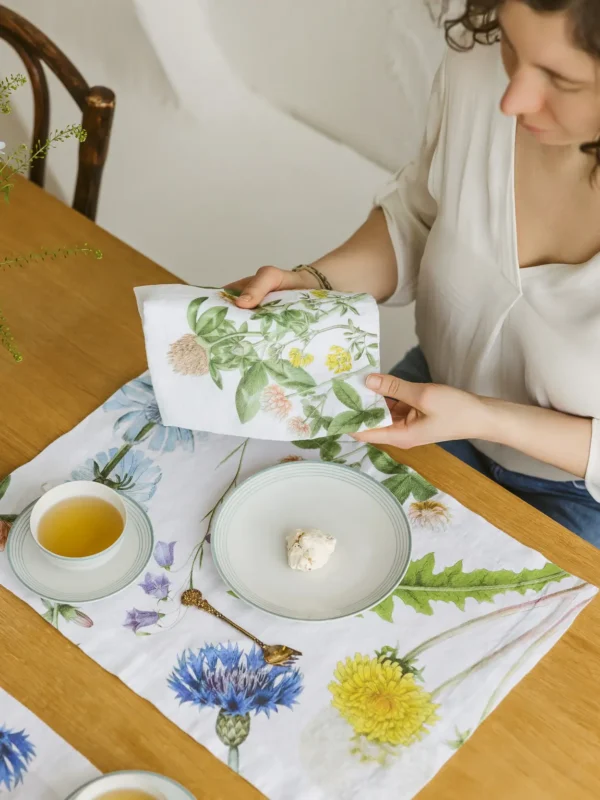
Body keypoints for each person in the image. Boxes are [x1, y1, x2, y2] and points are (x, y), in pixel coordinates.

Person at [226, 0, 600, 544]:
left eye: (561, 80)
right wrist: (315, 284)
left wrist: (486, 418)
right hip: (424, 404)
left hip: (577, 497)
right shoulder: (477, 66)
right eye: (512, 46)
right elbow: (421, 218)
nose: (512, 98)